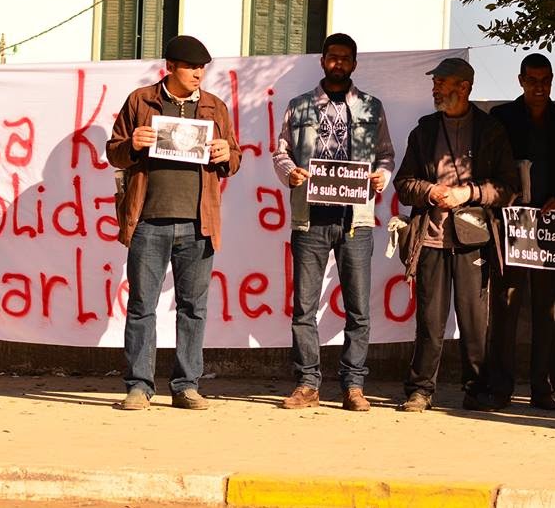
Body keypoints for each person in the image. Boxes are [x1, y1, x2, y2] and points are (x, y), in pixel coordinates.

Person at [107, 35, 242, 411]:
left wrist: (225, 153)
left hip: (199, 222)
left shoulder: (215, 107)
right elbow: (114, 152)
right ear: (171, 67)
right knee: (141, 306)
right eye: (191, 67)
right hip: (149, 221)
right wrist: (133, 143)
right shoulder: (141, 101)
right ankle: (138, 386)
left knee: (193, 308)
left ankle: (186, 386)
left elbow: (235, 156)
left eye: (203, 67)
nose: (199, 73)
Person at [272, 33, 395, 411]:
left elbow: (387, 155)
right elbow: (281, 152)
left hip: (354, 219)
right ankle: (307, 383)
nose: (338, 63)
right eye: (333, 57)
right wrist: (290, 172)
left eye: (345, 58)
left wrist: (381, 177)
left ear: (354, 64)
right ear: (323, 60)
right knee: (303, 308)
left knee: (358, 308)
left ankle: (353, 385)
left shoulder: (372, 108)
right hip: (310, 220)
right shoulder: (300, 106)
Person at [394, 57, 517, 412]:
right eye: (436, 82)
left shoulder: (491, 130)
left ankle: (477, 390)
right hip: (431, 238)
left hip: (474, 239)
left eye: (442, 82)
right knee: (430, 320)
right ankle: (420, 391)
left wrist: (469, 194)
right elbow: (403, 184)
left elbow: (508, 188)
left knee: (475, 321)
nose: (435, 87)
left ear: (463, 87)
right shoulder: (424, 131)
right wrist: (431, 192)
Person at [484, 53, 555, 410]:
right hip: (511, 224)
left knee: (547, 310)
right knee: (505, 307)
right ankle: (499, 388)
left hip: (553, 226)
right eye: (532, 80)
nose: (539, 87)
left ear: (552, 81)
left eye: (545, 81)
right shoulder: (501, 118)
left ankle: (544, 389)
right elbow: (489, 164)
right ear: (521, 80)